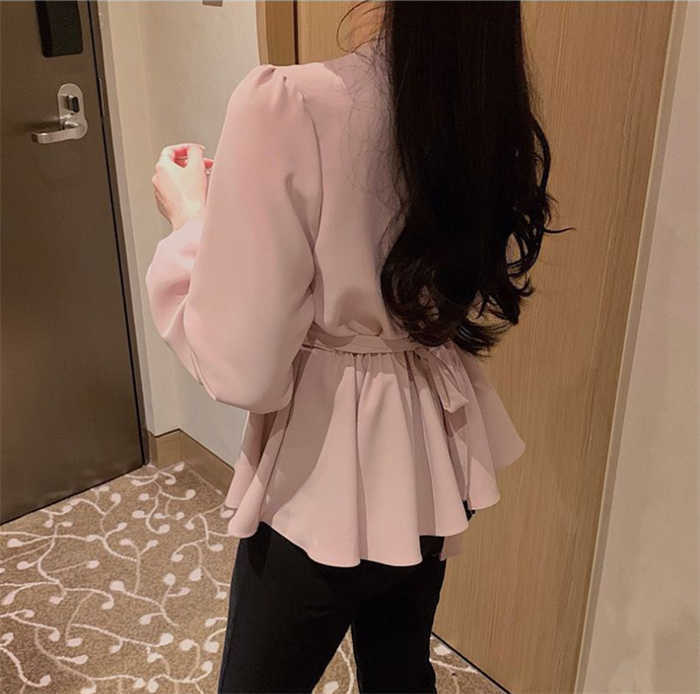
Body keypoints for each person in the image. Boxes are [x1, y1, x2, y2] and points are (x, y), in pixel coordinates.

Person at [145, 2, 570, 692]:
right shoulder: (475, 96)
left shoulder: (291, 105)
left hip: (322, 471)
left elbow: (240, 365)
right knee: (400, 668)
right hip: (431, 445)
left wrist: (192, 219)